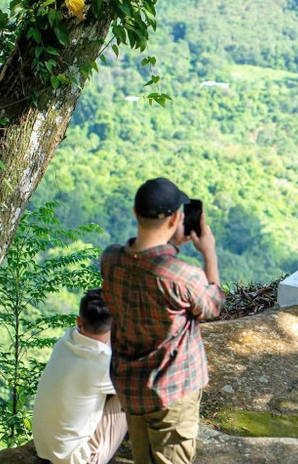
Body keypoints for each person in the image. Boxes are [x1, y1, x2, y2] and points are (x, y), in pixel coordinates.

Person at [100, 178, 225, 464]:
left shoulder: (110, 260)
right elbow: (213, 305)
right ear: (176, 219)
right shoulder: (181, 275)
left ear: (135, 212)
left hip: (131, 388)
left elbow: (140, 261)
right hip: (172, 391)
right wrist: (209, 252)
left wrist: (168, 238)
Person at [32, 289, 127, 464]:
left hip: (44, 447)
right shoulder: (101, 364)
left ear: (79, 321)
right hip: (77, 459)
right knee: (131, 393)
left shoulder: (65, 341)